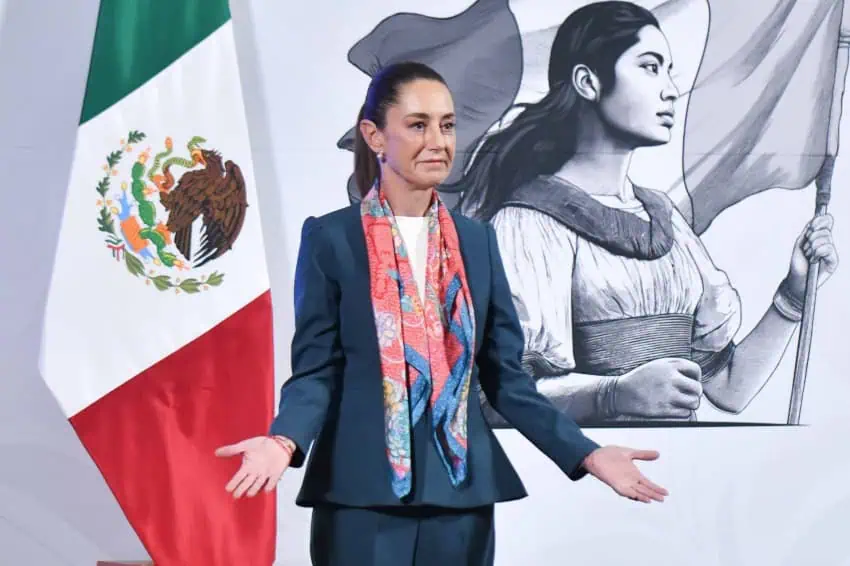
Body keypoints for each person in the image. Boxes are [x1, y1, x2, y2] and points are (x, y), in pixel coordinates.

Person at [215, 61, 668, 566]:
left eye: (447, 124)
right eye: (417, 124)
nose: (438, 140)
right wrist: (285, 440)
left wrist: (585, 453)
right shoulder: (330, 239)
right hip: (360, 493)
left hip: (461, 498)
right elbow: (318, 370)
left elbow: (507, 381)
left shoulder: (478, 241)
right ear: (374, 136)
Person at [450, 1, 839, 424]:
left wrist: (794, 294)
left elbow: (729, 388)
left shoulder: (666, 219)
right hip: (587, 478)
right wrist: (612, 395)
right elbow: (497, 399)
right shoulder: (528, 224)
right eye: (651, 67)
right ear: (587, 82)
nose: (671, 88)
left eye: (669, 70)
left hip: (681, 475)